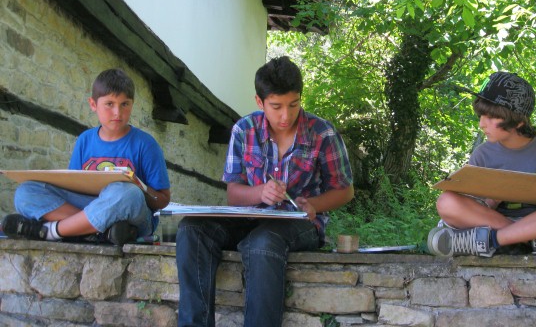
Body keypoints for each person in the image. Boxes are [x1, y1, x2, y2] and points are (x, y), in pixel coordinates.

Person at [176, 56, 354, 327]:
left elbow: (345, 191)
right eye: (276, 106)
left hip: (300, 224)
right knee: (191, 229)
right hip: (249, 218)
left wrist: (314, 205)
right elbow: (234, 194)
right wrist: (260, 193)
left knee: (263, 242)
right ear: (259, 102)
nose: (286, 115)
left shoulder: (323, 133)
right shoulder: (243, 130)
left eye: (293, 104)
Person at [427, 71, 536, 259]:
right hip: (496, 222)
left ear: (517, 121)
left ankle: (492, 242)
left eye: (491, 117)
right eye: (480, 115)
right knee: (446, 202)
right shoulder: (482, 154)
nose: (482, 124)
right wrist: (492, 200)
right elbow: (474, 207)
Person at [1, 68, 171, 245]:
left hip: (132, 215)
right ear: (93, 104)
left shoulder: (146, 144)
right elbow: (73, 185)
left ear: (132, 104)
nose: (117, 112)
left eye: (125, 104)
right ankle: (98, 231)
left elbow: (163, 201)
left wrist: (140, 187)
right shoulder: (85, 140)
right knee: (25, 192)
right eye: (109, 104)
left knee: (126, 193)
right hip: (98, 211)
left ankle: (50, 231)